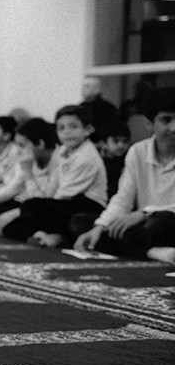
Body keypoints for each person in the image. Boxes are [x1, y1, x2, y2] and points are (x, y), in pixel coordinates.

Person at [71, 88, 175, 264]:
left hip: (163, 222)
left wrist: (144, 213)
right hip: (145, 227)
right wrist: (100, 227)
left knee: (164, 221)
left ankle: (130, 247)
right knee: (81, 222)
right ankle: (152, 252)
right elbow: (123, 199)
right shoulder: (138, 151)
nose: (174, 127)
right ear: (149, 124)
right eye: (166, 120)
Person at [1, 104, 107, 247]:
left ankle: (61, 237)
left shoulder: (86, 158)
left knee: (32, 206)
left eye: (73, 126)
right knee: (10, 225)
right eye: (61, 128)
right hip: (63, 203)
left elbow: (62, 196)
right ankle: (40, 235)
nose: (67, 132)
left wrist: (27, 208)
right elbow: (52, 191)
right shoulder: (61, 152)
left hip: (87, 206)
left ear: (88, 129)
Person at [0, 117, 57, 234]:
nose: (19, 150)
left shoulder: (57, 161)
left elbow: (42, 202)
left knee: (14, 220)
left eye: (22, 145)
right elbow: (13, 185)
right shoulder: (30, 159)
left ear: (40, 144)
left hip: (46, 207)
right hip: (29, 204)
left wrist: (28, 173)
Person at [96, 120, 131, 198]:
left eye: (125, 141)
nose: (121, 145)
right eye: (116, 141)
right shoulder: (96, 161)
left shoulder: (128, 160)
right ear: (103, 143)